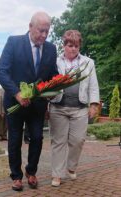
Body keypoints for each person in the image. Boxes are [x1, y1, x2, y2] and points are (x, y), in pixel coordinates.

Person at [0, 11, 58, 191]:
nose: (44, 35)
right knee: (14, 139)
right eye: (41, 31)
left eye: (47, 31)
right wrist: (16, 93)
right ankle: (16, 176)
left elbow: (52, 75)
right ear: (30, 27)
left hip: (37, 105)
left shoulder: (51, 49)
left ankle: (31, 171)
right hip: (15, 103)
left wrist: (54, 89)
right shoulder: (14, 42)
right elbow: (1, 71)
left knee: (37, 137)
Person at [49, 30, 100, 187]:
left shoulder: (88, 62)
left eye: (76, 46)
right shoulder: (55, 61)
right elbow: (47, 84)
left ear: (79, 47)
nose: (73, 49)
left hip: (79, 107)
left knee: (78, 140)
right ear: (64, 45)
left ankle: (71, 167)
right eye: (70, 45)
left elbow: (93, 85)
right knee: (58, 141)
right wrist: (45, 105)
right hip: (58, 107)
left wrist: (93, 104)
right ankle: (57, 174)